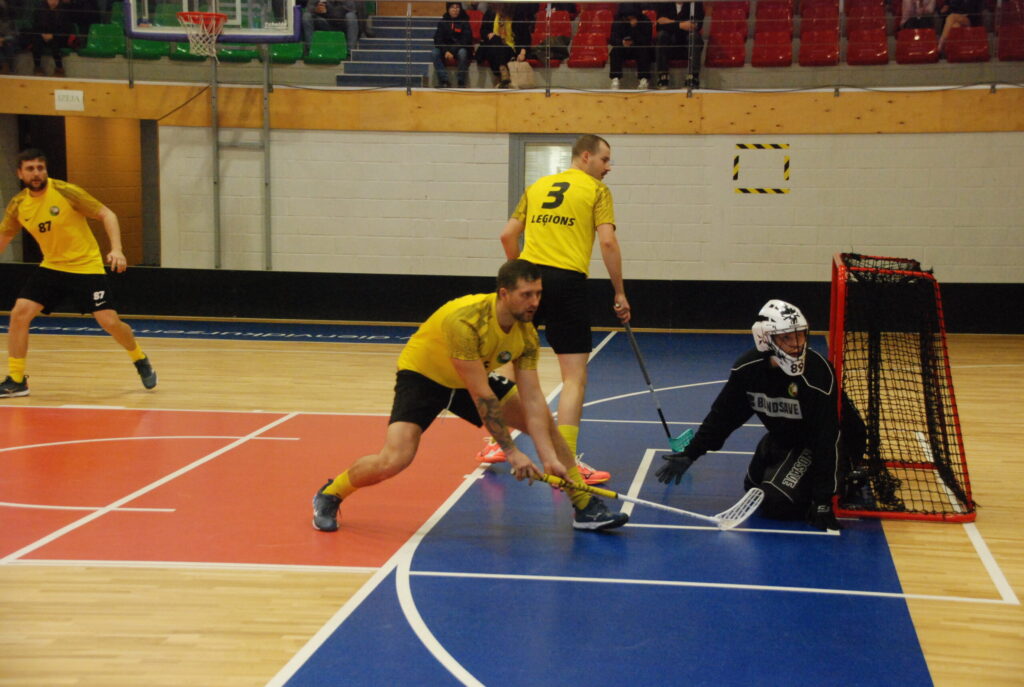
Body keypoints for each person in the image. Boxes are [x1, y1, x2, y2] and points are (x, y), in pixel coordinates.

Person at [310, 259, 629, 533]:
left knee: (546, 423)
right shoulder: (466, 321)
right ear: (504, 294)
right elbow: (482, 396)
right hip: (425, 376)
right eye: (526, 295)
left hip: (471, 375)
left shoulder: (526, 333)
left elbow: (533, 400)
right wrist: (511, 451)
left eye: (538, 293)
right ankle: (331, 493)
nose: (535, 302)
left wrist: (547, 457)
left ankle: (584, 506)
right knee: (394, 459)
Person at [498, 134, 630, 485]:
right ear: (586, 156)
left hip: (528, 279)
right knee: (573, 376)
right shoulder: (597, 191)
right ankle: (567, 464)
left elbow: (507, 235)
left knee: (511, 361)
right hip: (567, 282)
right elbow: (607, 241)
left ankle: (497, 442)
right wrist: (619, 291)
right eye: (604, 159)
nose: (608, 167)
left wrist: (520, 275)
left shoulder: (537, 186)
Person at [654, 300, 848, 531]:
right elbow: (723, 417)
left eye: (800, 335)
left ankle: (847, 475)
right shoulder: (748, 370)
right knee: (753, 487)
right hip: (784, 437)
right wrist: (691, 453)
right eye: (786, 337)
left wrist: (823, 499)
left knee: (777, 503)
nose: (796, 344)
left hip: (828, 444)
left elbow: (827, 438)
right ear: (765, 338)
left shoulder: (817, 375)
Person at [0, 149, 157, 398]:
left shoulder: (65, 192)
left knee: (109, 322)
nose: (36, 173)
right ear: (20, 173)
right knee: (20, 313)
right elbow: (5, 236)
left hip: (86, 267)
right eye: (30, 169)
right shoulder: (19, 204)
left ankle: (139, 358)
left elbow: (107, 214)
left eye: (40, 168)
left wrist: (117, 249)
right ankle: (17, 380)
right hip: (52, 267)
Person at [475, 2, 531, 88]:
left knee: (496, 47)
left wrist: (523, 52)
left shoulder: (516, 14)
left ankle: (499, 77)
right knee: (496, 40)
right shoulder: (491, 12)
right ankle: (503, 70)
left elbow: (525, 36)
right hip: (492, 45)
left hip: (509, 47)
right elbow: (483, 30)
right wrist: (488, 34)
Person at [652, 1, 704, 90]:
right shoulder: (665, 3)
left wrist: (670, 22)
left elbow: (695, 26)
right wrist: (681, 24)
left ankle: (693, 77)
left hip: (686, 43)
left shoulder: (695, 3)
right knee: (661, 35)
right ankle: (663, 76)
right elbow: (660, 25)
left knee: (694, 36)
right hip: (670, 43)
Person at [608, 2, 653, 90]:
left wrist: (635, 28)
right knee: (615, 51)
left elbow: (647, 40)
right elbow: (612, 40)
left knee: (644, 50)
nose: (629, 18)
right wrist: (622, 42)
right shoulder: (618, 21)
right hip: (624, 48)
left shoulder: (645, 21)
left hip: (638, 47)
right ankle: (615, 78)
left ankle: (643, 79)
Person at [432, 1, 473, 88]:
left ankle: (461, 81)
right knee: (435, 52)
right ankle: (444, 80)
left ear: (460, 9)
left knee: (463, 53)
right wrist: (446, 51)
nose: (455, 10)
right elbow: (438, 39)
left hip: (459, 48)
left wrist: (452, 51)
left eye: (457, 7)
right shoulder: (443, 22)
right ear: (448, 9)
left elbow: (466, 40)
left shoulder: (465, 21)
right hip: (445, 49)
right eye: (452, 7)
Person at [30, 0, 74, 76]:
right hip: (43, 35)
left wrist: (53, 35)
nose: (52, 1)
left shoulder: (64, 10)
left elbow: (65, 29)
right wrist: (43, 34)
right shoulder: (40, 10)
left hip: (59, 36)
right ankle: (37, 67)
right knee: (36, 42)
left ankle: (59, 68)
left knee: (54, 43)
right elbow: (36, 25)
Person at [0, 0, 17, 75]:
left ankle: (9, 69)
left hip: (7, 40)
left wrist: (2, 39)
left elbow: (13, 35)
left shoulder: (8, 20)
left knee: (9, 44)